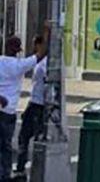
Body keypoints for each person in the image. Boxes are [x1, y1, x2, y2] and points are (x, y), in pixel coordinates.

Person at [0, 30, 47, 182]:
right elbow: (40, 54)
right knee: (6, 146)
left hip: (7, 108)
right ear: (17, 51)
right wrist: (47, 31)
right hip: (8, 112)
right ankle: (5, 175)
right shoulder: (19, 65)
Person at [13, 39, 46, 179]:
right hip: (35, 103)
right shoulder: (42, 62)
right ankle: (24, 166)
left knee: (25, 136)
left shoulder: (44, 63)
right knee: (29, 137)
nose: (33, 47)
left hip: (37, 104)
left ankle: (22, 167)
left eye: (35, 45)